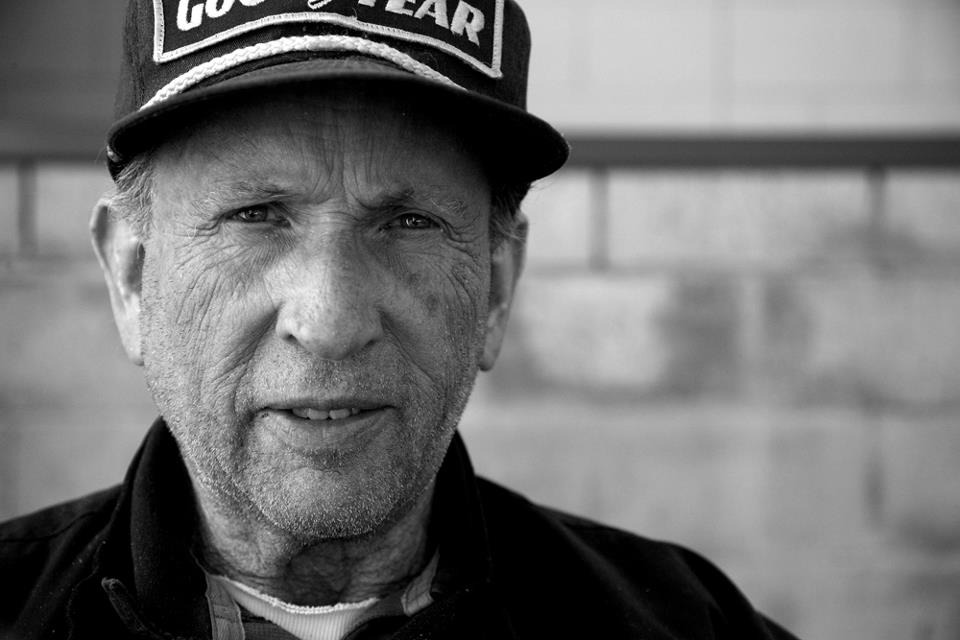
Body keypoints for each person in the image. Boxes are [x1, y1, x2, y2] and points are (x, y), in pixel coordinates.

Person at [0, 1, 799, 638]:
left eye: (409, 222)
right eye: (255, 215)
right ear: (132, 278)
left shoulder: (688, 623)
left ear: (495, 287)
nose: (330, 321)